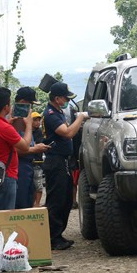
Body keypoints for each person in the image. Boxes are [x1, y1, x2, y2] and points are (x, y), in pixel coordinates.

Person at [43, 82, 90, 250]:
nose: (67, 101)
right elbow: (68, 133)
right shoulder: (50, 114)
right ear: (57, 99)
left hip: (63, 161)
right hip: (55, 161)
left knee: (65, 199)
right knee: (56, 199)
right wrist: (80, 118)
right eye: (65, 98)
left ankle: (58, 234)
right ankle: (53, 237)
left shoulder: (58, 112)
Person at [0, 87, 34, 211]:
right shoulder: (4, 128)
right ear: (6, 107)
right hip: (6, 175)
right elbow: (25, 146)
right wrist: (29, 125)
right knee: (5, 215)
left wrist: (8, 124)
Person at [13, 87, 51, 209]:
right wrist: (35, 149)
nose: (31, 108)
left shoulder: (24, 119)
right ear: (23, 102)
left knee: (29, 199)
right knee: (21, 202)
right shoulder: (13, 120)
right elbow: (16, 149)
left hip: (28, 164)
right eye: (30, 104)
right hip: (19, 165)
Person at [31, 112, 45, 207]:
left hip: (37, 162)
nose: (37, 122)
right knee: (30, 186)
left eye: (38, 120)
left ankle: (37, 204)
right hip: (28, 162)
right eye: (35, 120)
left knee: (38, 185)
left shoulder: (39, 132)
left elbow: (37, 145)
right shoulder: (25, 131)